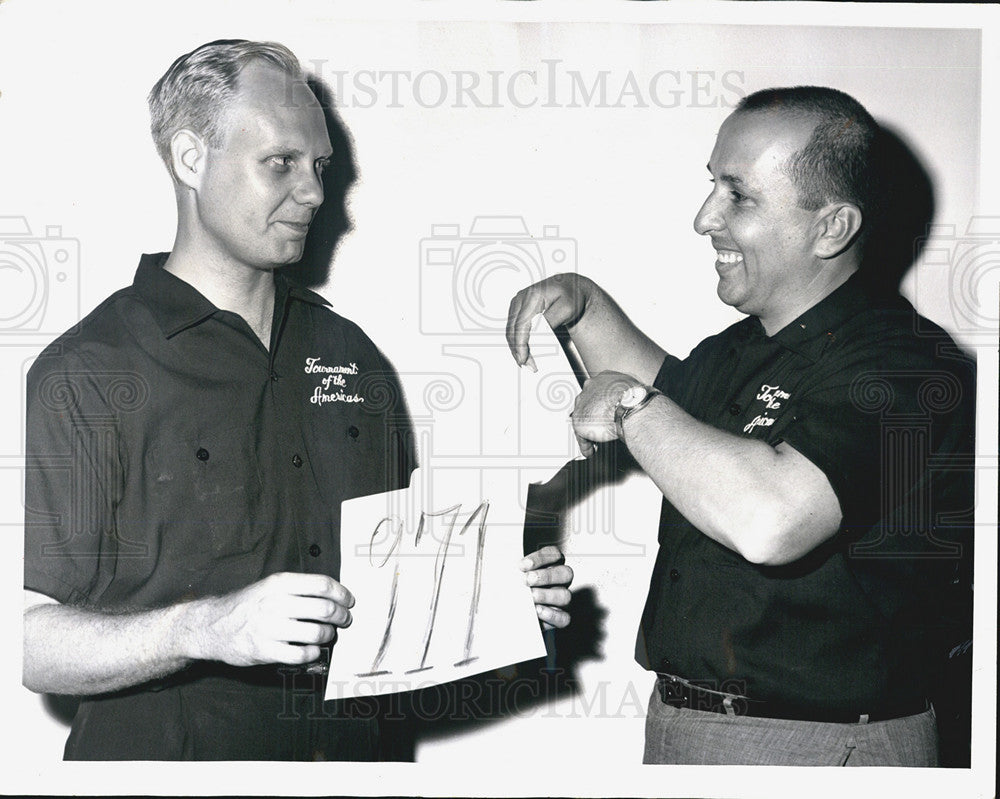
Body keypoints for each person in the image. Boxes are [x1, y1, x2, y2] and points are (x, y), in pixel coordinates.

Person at [22, 39, 572, 761]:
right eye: (280, 163)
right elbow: (26, 643)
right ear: (191, 159)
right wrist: (207, 627)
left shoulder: (351, 354)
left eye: (318, 167)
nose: (313, 192)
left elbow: (386, 613)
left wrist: (486, 600)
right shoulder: (88, 368)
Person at [506, 86, 974, 767]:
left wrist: (632, 404)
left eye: (739, 195)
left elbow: (772, 517)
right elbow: (675, 405)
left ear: (832, 228)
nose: (704, 218)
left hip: (819, 743)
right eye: (711, 188)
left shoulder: (901, 361)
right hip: (690, 724)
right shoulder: (743, 348)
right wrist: (586, 310)